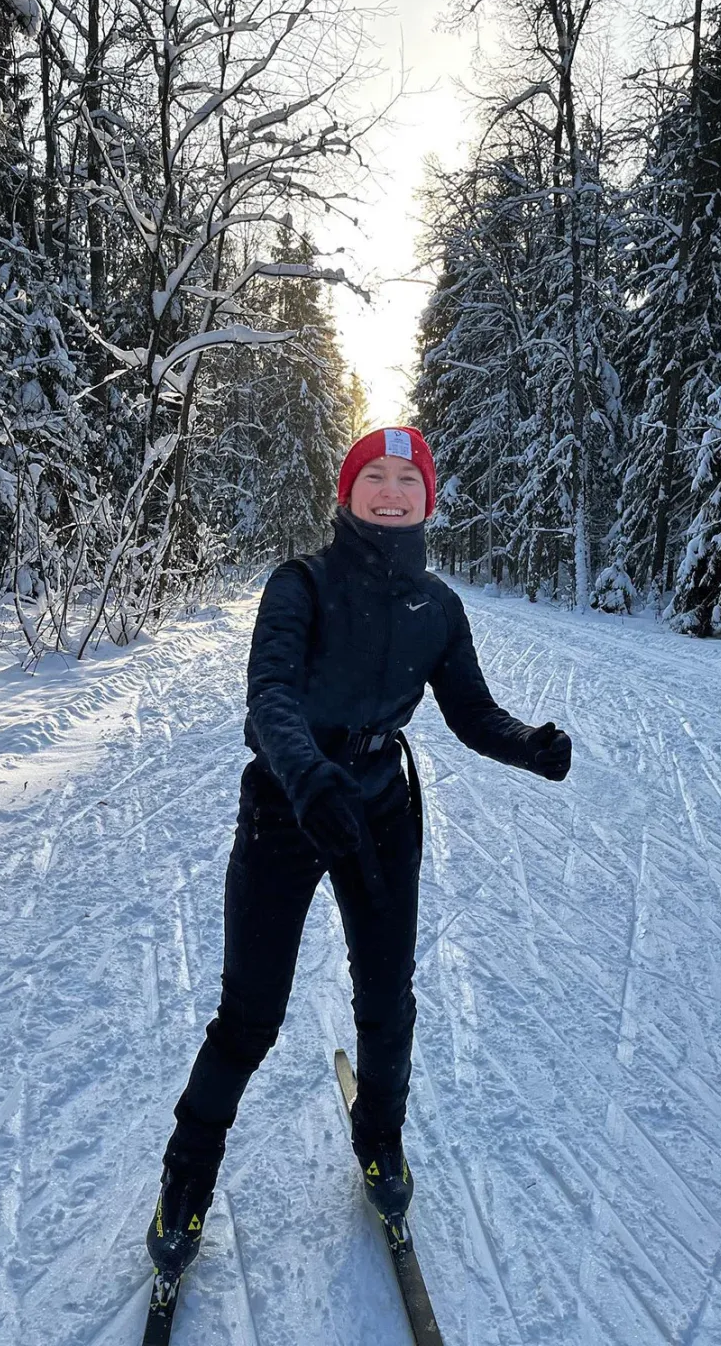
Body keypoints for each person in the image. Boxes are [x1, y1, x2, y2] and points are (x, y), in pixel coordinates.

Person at [147, 425, 572, 1281]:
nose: (388, 490)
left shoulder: (439, 609)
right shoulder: (300, 583)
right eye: (371, 476)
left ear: (426, 500)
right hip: (288, 804)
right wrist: (306, 778)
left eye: (404, 479)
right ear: (347, 493)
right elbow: (268, 695)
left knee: (387, 996)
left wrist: (528, 744)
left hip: (381, 807)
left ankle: (380, 1142)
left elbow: (470, 712)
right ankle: (184, 1181)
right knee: (250, 1018)